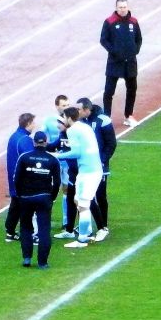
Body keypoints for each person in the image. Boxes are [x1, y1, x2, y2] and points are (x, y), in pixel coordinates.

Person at [53, 107, 104, 248]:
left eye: (64, 117)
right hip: (92, 169)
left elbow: (76, 153)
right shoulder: (85, 127)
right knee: (77, 200)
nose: (63, 120)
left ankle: (82, 239)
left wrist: (57, 155)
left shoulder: (72, 130)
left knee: (83, 205)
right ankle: (85, 232)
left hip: (88, 172)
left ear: (69, 118)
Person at [13, 132, 61, 268]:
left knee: (25, 227)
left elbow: (16, 179)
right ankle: (42, 263)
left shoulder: (24, 157)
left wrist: (20, 195)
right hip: (44, 197)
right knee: (44, 229)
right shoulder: (52, 159)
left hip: (26, 197)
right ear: (46, 142)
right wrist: (52, 197)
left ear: (34, 142)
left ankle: (27, 258)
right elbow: (57, 183)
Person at [77, 97, 117, 242]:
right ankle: (86, 226)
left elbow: (111, 143)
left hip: (100, 166)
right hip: (84, 165)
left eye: (79, 109)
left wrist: (102, 160)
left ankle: (103, 226)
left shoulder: (103, 120)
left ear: (87, 109)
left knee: (100, 196)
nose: (77, 112)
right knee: (84, 196)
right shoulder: (80, 122)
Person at [100, 0, 142, 127]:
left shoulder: (133, 22)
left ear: (128, 7)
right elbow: (103, 40)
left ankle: (128, 116)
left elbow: (139, 39)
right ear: (116, 8)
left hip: (130, 62)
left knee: (132, 89)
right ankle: (107, 117)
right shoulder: (109, 22)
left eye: (124, 7)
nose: (123, 9)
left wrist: (135, 50)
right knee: (109, 91)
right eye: (120, 7)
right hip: (115, 62)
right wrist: (114, 52)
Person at [5, 113, 36, 242]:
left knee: (16, 204)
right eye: (33, 122)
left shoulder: (14, 136)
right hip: (23, 179)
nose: (35, 125)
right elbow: (31, 159)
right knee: (27, 206)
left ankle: (10, 232)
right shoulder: (25, 140)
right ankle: (29, 233)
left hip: (13, 176)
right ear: (28, 123)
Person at [43, 95, 71, 232]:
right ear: (57, 106)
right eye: (63, 105)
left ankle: (66, 221)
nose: (66, 107)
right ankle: (45, 219)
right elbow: (42, 137)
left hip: (67, 162)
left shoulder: (72, 120)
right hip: (53, 161)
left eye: (67, 105)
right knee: (49, 190)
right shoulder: (49, 121)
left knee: (67, 190)